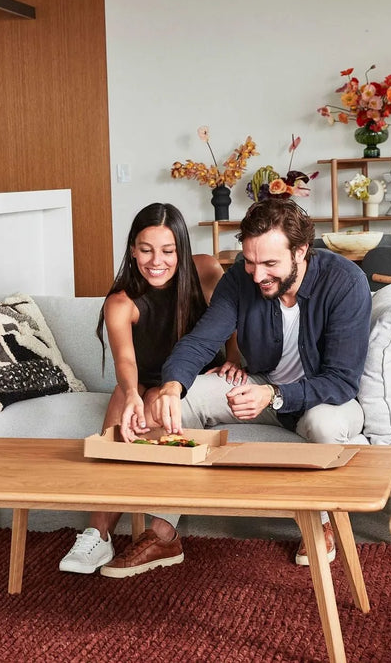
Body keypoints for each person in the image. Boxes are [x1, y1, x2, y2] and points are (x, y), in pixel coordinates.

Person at [137, 195, 372, 565]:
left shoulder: (345, 282)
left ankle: (321, 524)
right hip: (263, 385)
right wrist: (172, 386)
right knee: (185, 400)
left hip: (324, 398)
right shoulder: (240, 280)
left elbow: (342, 381)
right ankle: (164, 532)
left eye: (270, 263)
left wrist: (274, 393)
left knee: (322, 422)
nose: (258, 275)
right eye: (250, 262)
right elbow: (200, 341)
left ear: (301, 251)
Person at [58, 202, 241, 577]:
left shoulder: (207, 271)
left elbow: (231, 320)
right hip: (144, 377)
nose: (156, 261)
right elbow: (126, 362)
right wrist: (131, 395)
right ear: (132, 249)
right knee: (122, 404)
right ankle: (98, 534)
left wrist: (236, 359)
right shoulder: (120, 302)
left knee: (156, 402)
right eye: (146, 249)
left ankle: (148, 533)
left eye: (167, 250)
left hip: (193, 379)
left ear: (182, 250)